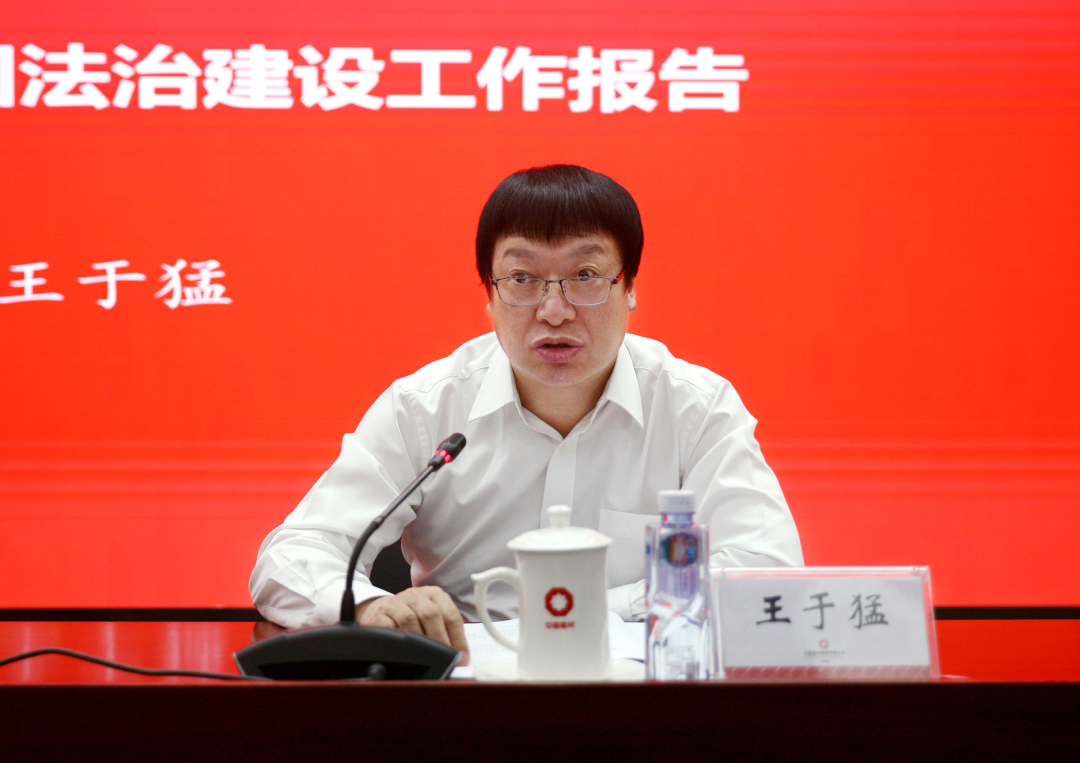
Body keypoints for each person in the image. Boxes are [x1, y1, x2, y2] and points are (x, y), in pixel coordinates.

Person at [250, 165, 803, 664]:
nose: (554, 311)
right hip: (465, 698)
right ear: (489, 295)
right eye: (522, 279)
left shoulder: (695, 407)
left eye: (585, 275)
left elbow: (766, 569)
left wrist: (592, 611)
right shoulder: (425, 407)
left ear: (630, 287)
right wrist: (368, 608)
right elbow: (292, 556)